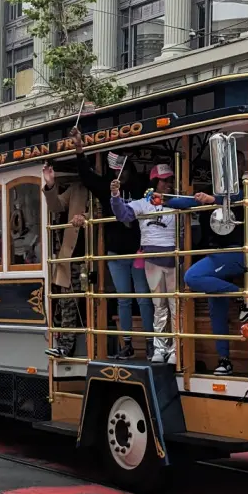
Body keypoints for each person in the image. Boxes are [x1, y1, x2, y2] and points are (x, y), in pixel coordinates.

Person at [70, 128, 154, 360]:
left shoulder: (140, 186)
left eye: (124, 169)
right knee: (123, 299)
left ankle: (150, 342)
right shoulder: (106, 186)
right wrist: (79, 149)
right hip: (116, 251)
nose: (121, 173)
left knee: (143, 297)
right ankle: (127, 344)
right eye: (117, 169)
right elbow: (86, 175)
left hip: (138, 250)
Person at [163, 155, 248, 375]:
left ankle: (242, 295)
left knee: (192, 277)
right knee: (216, 309)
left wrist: (212, 199)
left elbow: (240, 197)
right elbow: (188, 202)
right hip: (217, 255)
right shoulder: (216, 191)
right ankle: (224, 360)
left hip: (236, 253)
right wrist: (161, 199)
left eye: (233, 163)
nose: (229, 168)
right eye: (226, 164)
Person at [111, 164, 178, 365]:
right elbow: (122, 214)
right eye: (164, 180)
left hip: (174, 258)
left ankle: (176, 349)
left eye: (170, 180)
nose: (168, 184)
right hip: (152, 259)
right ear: (154, 182)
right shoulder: (143, 203)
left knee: (175, 305)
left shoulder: (177, 202)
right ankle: (160, 347)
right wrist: (115, 196)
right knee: (159, 305)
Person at [43, 162, 89, 359]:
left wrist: (86, 216)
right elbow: (56, 206)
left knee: (93, 303)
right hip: (71, 257)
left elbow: (107, 210)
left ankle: (93, 347)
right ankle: (64, 347)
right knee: (67, 303)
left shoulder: (105, 188)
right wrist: (50, 184)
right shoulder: (77, 188)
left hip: (93, 259)